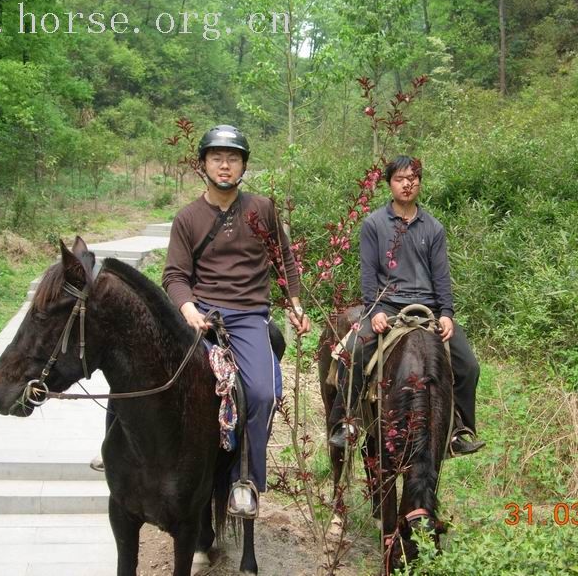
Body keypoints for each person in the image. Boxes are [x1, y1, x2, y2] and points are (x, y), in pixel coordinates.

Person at [162, 124, 310, 517]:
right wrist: (188, 309)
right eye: (216, 158)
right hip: (202, 316)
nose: (224, 166)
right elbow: (174, 275)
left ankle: (245, 481)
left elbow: (285, 260)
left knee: (262, 393)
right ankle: (123, 445)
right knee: (158, 373)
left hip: (248, 316)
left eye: (232, 158)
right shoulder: (187, 217)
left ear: (243, 165)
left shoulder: (261, 208)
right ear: (203, 165)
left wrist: (294, 304)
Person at [328, 155, 484, 456]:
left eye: (413, 178)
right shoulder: (374, 224)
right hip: (387, 306)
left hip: (429, 312)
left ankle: (459, 429)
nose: (407, 183)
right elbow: (368, 273)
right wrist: (374, 311)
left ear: (420, 183)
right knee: (354, 353)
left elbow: (441, 276)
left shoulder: (434, 228)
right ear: (389, 184)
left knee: (469, 366)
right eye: (400, 178)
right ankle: (348, 422)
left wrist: (448, 315)